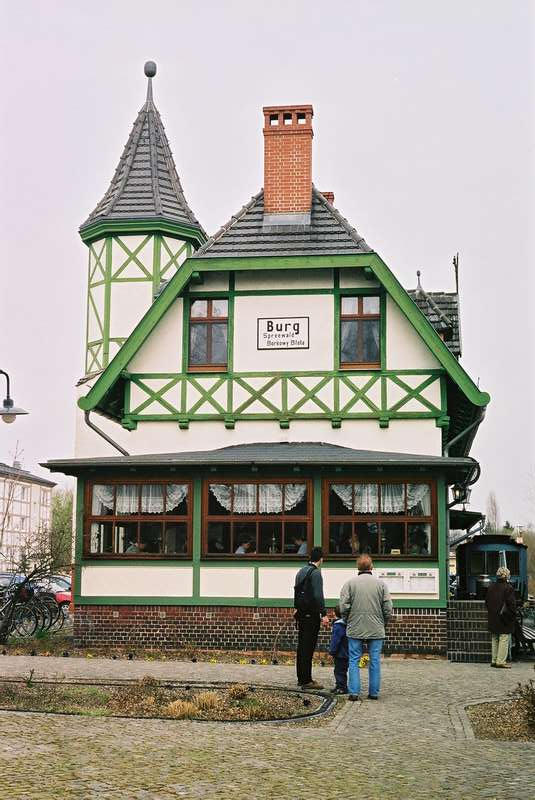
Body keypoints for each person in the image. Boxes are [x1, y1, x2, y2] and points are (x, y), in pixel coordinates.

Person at [340, 553, 393, 701]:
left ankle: (354, 692)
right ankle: (374, 693)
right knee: (374, 660)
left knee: (354, 659)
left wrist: (347, 620)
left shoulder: (350, 584)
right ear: (371, 567)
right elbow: (388, 607)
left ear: (358, 567)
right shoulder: (381, 584)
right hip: (376, 627)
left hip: (355, 626)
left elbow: (343, 607)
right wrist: (384, 621)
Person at [293, 546, 329, 689]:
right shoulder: (315, 573)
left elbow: (296, 591)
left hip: (301, 614)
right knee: (308, 647)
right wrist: (324, 614)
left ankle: (301, 677)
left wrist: (296, 608)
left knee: (302, 646)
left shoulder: (301, 571)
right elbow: (318, 595)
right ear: (321, 559)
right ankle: (307, 680)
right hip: (311, 615)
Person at [485, 566, 516, 668]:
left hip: (493, 616)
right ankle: (501, 661)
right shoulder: (509, 588)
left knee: (495, 638)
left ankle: (494, 660)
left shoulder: (491, 587)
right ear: (506, 576)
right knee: (503, 637)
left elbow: (487, 602)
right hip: (504, 617)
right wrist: (511, 615)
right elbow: (511, 605)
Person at [329, 604, 349, 694]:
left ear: (334, 613)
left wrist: (332, 651)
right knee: (342, 670)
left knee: (339, 671)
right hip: (346, 651)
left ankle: (341, 687)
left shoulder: (338, 626)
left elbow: (335, 640)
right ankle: (339, 685)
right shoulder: (347, 624)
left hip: (340, 653)